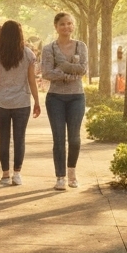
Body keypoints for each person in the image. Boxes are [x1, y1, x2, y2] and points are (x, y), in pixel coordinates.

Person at [0, 20, 40, 186]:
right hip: (22, 102)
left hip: (2, 101)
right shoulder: (28, 54)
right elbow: (31, 79)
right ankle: (17, 174)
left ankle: (5, 175)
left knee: (3, 138)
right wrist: (37, 101)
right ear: (20, 34)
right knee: (19, 138)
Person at [42, 12, 88, 190]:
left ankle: (72, 172)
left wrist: (61, 68)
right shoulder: (49, 49)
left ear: (73, 26)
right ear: (56, 27)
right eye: (62, 24)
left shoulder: (80, 46)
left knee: (75, 138)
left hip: (77, 97)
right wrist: (70, 73)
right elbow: (46, 72)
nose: (66, 27)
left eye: (69, 24)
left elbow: (83, 69)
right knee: (59, 138)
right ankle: (60, 176)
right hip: (55, 98)